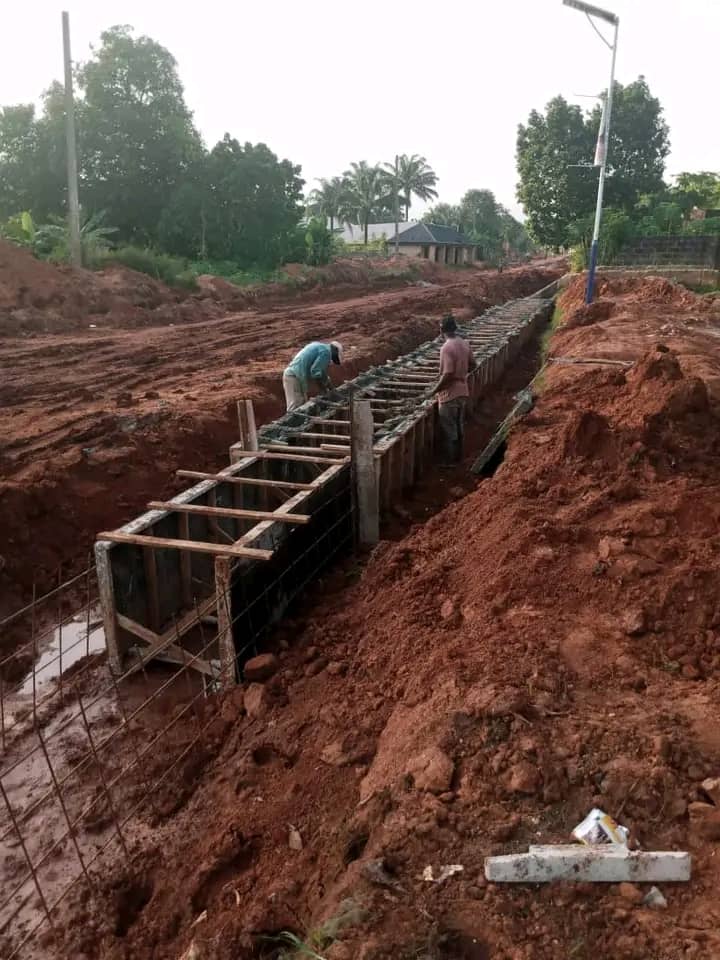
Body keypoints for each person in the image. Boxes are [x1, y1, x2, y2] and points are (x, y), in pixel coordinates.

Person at [430, 314, 476, 464]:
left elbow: (447, 374)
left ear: (441, 330)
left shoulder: (446, 347)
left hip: (449, 395)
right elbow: (473, 364)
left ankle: (451, 462)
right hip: (463, 391)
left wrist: (434, 391)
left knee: (450, 431)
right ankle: (459, 458)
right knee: (459, 427)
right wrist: (461, 374)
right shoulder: (464, 343)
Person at [283, 340, 343, 412]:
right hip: (294, 376)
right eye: (335, 357)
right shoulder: (326, 352)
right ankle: (291, 423)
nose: (332, 359)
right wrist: (324, 390)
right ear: (334, 350)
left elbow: (322, 374)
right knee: (295, 408)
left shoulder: (320, 347)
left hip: (296, 376)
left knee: (302, 405)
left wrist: (331, 389)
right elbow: (315, 372)